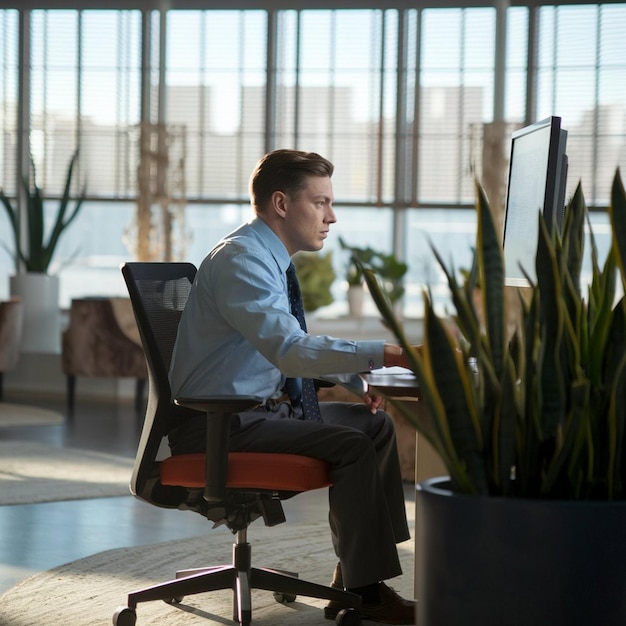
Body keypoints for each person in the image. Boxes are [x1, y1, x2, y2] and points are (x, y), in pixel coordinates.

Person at [168, 148, 416, 625]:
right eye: (320, 202)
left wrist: (355, 376)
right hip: (221, 424)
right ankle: (367, 594)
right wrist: (381, 353)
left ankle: (357, 570)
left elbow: (289, 343)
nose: (332, 216)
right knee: (350, 445)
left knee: (373, 426)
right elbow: (290, 349)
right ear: (281, 204)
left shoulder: (265, 257)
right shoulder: (242, 260)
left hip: (257, 412)